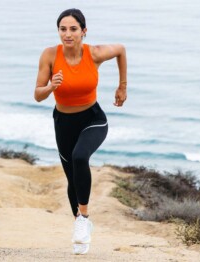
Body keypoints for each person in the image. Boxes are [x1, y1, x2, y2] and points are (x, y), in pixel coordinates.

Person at [34, 8, 127, 255]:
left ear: (83, 31)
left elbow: (120, 50)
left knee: (79, 157)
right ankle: (80, 224)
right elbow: (37, 95)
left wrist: (122, 87)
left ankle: (83, 218)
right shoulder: (50, 56)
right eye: (63, 29)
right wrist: (51, 86)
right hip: (63, 123)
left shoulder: (94, 53)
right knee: (72, 178)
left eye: (73, 29)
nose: (67, 34)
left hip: (93, 119)